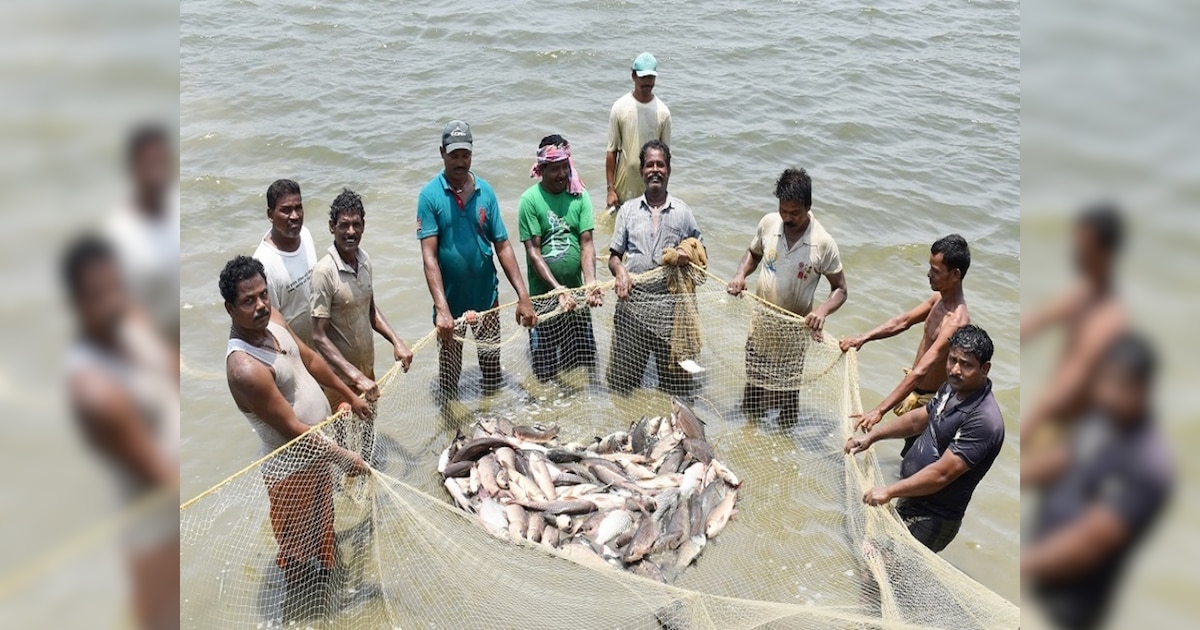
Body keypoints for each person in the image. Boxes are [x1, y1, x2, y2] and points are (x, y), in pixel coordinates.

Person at [221, 255, 372, 622]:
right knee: (298, 557)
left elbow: (311, 359)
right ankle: (300, 614)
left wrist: (350, 392)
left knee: (324, 537)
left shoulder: (273, 321)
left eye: (262, 295)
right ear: (229, 308)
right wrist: (344, 456)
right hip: (291, 474)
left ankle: (328, 604)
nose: (259, 306)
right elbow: (291, 428)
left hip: (317, 460)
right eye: (248, 301)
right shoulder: (244, 367)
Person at [63, 236, 180, 630]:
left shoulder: (130, 325)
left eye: (116, 287)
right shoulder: (93, 387)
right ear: (77, 305)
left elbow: (174, 372)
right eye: (98, 295)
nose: (112, 302)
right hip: (151, 526)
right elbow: (159, 473)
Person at [1021, 333, 1172, 630]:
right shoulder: (1103, 419)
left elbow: (1091, 542)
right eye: (1105, 381)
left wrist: (1023, 566)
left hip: (1069, 604)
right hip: (1039, 574)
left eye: (1119, 385)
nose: (1106, 393)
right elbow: (1062, 459)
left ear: (1142, 388)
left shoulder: (1149, 465)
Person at [845, 325, 1005, 553]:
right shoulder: (952, 387)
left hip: (934, 517)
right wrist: (873, 436)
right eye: (952, 360)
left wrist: (890, 490)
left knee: (887, 574)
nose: (955, 370)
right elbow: (918, 420)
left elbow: (942, 474)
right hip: (912, 496)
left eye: (966, 364)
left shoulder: (984, 420)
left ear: (985, 369)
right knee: (874, 562)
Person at [417, 120, 537, 399]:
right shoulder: (429, 196)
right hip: (450, 302)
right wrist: (442, 309)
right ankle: (451, 428)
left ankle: (491, 418)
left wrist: (523, 295)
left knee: (492, 372)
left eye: (465, 155)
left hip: (486, 298)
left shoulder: (486, 192)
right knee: (448, 379)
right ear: (441, 152)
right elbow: (429, 257)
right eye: (454, 155)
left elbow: (503, 245)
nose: (460, 162)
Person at [727, 167, 848, 421]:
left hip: (794, 334)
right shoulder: (769, 223)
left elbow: (840, 289)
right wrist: (740, 275)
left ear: (808, 206)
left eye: (795, 213)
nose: (788, 217)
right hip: (760, 326)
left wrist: (822, 311)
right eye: (783, 211)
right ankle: (751, 436)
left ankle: (785, 445)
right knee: (752, 394)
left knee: (788, 402)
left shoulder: (823, 243)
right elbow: (753, 253)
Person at [840, 234, 972, 456]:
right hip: (915, 394)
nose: (928, 274)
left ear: (955, 275)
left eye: (936, 271)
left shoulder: (956, 321)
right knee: (908, 455)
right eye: (930, 267)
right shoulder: (938, 300)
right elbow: (902, 321)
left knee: (915, 461)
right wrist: (863, 338)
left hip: (933, 404)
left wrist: (879, 411)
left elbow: (921, 371)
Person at [311, 189, 412, 459]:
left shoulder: (364, 260)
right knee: (345, 447)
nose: (350, 231)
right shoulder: (324, 272)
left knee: (367, 434)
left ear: (364, 226)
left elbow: (370, 310)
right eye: (343, 225)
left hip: (367, 371)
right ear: (332, 227)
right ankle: (349, 492)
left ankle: (367, 477)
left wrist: (397, 341)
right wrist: (354, 377)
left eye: (356, 224)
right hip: (339, 381)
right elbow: (319, 337)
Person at [1019, 203, 1129, 448]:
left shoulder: (1110, 318)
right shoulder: (1083, 293)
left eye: (1085, 246)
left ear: (1105, 253)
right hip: (1054, 418)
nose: (1077, 252)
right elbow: (1034, 323)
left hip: (1074, 435)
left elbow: (1074, 378)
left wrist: (1032, 423)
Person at [607, 140, 703, 396]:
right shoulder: (627, 211)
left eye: (660, 165)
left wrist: (686, 253)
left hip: (671, 311)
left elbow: (700, 253)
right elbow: (614, 256)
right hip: (633, 306)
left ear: (669, 170)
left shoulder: (682, 212)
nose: (655, 170)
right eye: (649, 165)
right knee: (622, 387)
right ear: (641, 171)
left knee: (677, 389)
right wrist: (620, 272)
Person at [519, 134, 604, 381]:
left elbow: (586, 242)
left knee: (582, 366)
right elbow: (533, 252)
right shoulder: (529, 200)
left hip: (576, 300)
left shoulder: (580, 196)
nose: (562, 174)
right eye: (554, 169)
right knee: (545, 376)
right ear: (542, 169)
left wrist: (590, 282)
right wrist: (558, 290)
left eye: (565, 167)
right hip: (544, 301)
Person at [103, 123, 180, 347]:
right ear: (133, 169)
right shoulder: (119, 233)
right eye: (150, 164)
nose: (159, 172)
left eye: (163, 162)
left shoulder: (176, 206)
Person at [253, 179, 319, 346]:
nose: (295, 216)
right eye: (286, 210)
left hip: (317, 341)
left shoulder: (305, 235)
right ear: (270, 215)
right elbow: (271, 324)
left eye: (298, 208)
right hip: (291, 350)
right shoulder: (264, 264)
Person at [605, 52, 672, 211]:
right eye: (643, 77)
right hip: (623, 189)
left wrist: (663, 193)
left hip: (651, 191)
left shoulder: (663, 113)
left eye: (651, 77)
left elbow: (666, 159)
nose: (647, 82)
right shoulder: (620, 108)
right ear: (633, 76)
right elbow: (611, 152)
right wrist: (610, 190)